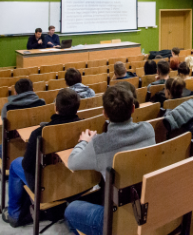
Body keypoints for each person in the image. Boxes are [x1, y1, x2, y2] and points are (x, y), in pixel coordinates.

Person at [64, 86, 156, 235]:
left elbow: (72, 162)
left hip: (116, 219)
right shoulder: (148, 129)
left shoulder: (99, 144)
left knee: (70, 209)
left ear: (104, 114)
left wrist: (84, 142)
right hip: (148, 207)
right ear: (133, 108)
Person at [2, 88, 80, 227]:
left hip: (47, 186)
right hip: (76, 181)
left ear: (55, 107)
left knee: (15, 164)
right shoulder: (87, 127)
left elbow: (27, 166)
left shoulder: (39, 134)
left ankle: (14, 214)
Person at [0, 78, 46, 181]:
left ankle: (2, 174)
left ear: (15, 92)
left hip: (15, 145)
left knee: (2, 147)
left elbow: (5, 125)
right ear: (33, 90)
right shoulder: (41, 102)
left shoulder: (8, 107)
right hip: (36, 144)